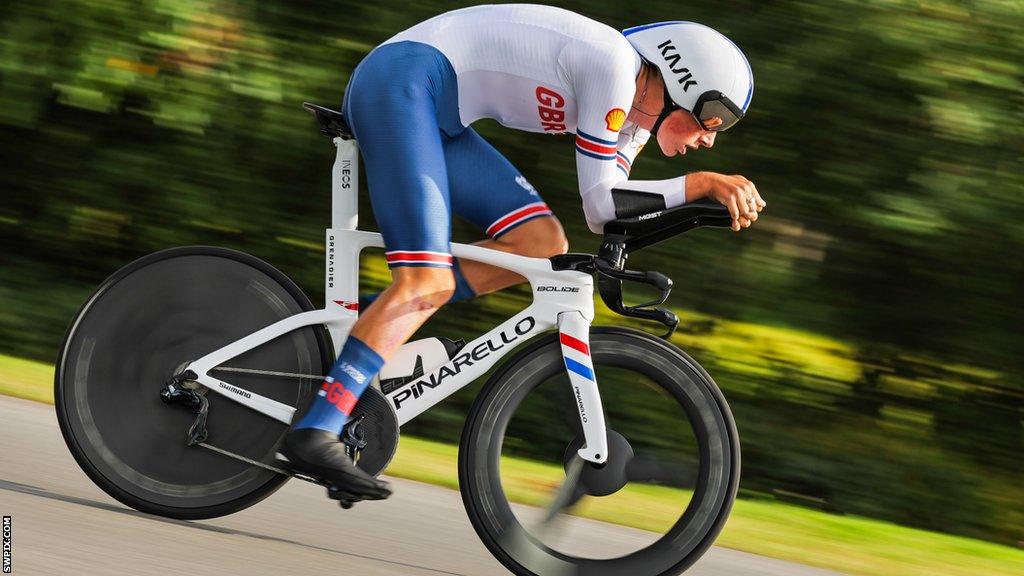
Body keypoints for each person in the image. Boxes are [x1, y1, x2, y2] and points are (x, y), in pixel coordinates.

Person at [277, 4, 766, 502]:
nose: (708, 139)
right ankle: (316, 430)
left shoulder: (633, 125)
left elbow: (604, 214)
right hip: (402, 83)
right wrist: (700, 185)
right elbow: (601, 200)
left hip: (437, 113)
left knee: (542, 243)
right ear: (681, 81)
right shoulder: (615, 68)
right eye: (712, 120)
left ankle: (379, 331)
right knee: (427, 281)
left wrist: (699, 208)